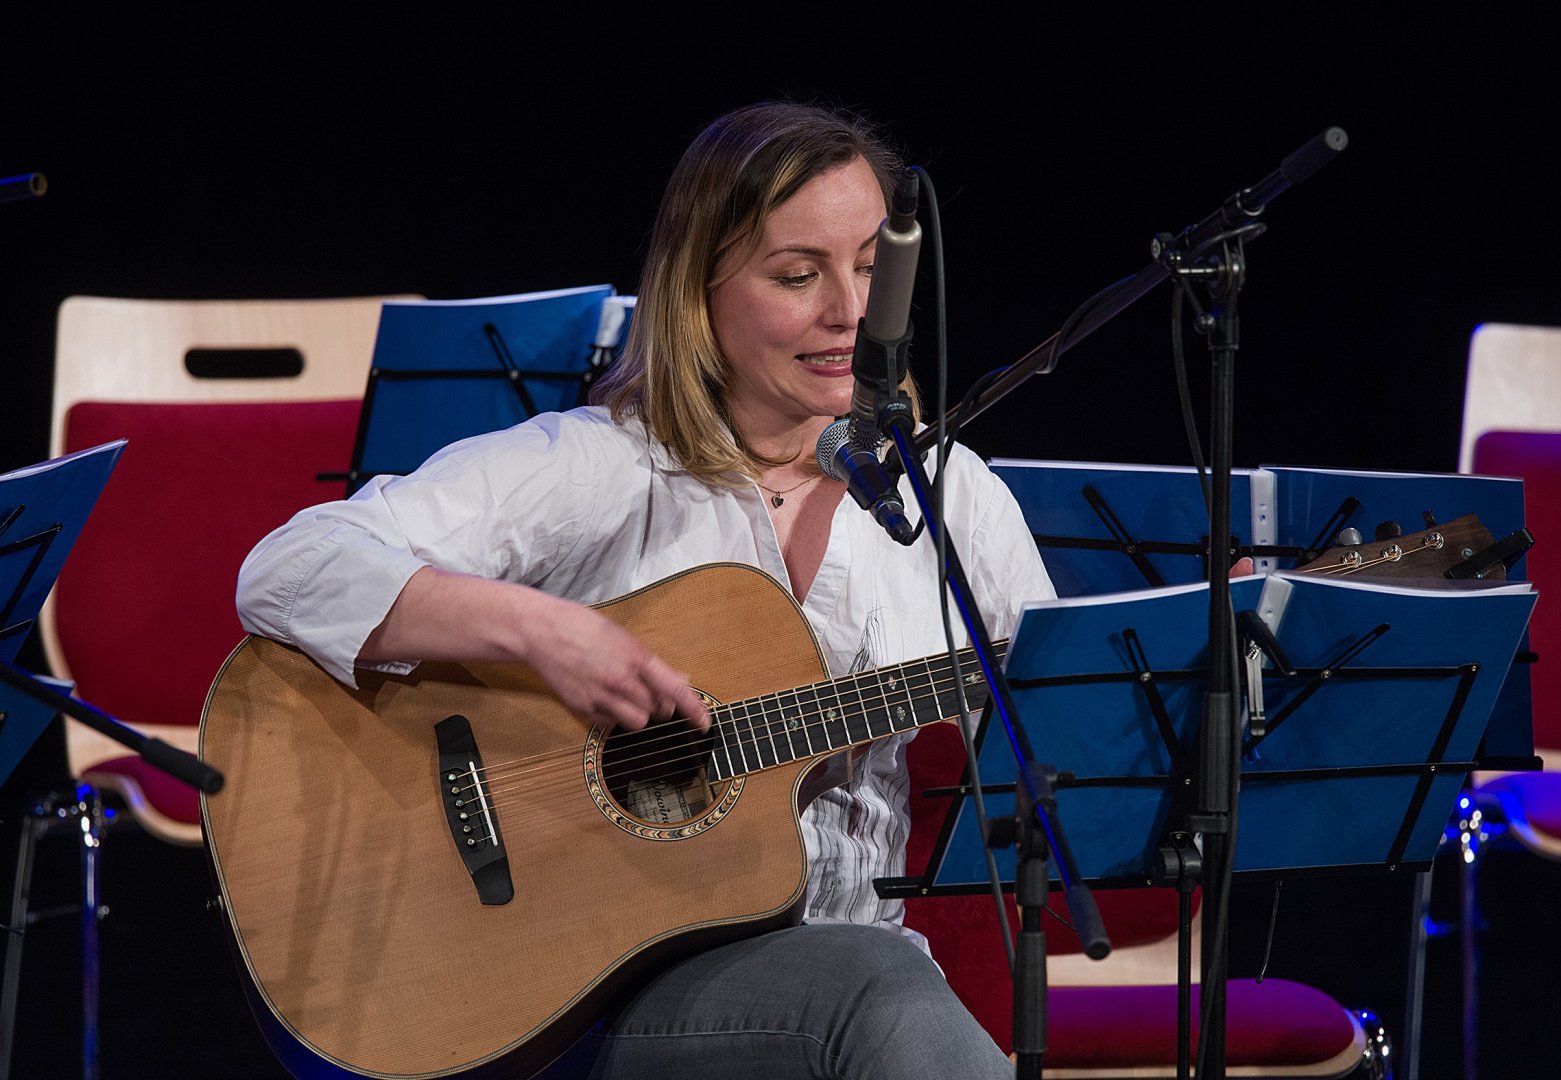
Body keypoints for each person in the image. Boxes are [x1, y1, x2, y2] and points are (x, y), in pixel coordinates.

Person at [238, 101, 1055, 1079]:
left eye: (875, 268)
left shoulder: (950, 495)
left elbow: (1064, 735)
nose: (849, 310)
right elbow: (291, 567)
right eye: (798, 275)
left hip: (854, 991)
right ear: (698, 291)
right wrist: (540, 633)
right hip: (585, 996)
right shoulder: (604, 467)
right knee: (881, 989)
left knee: (881, 983)